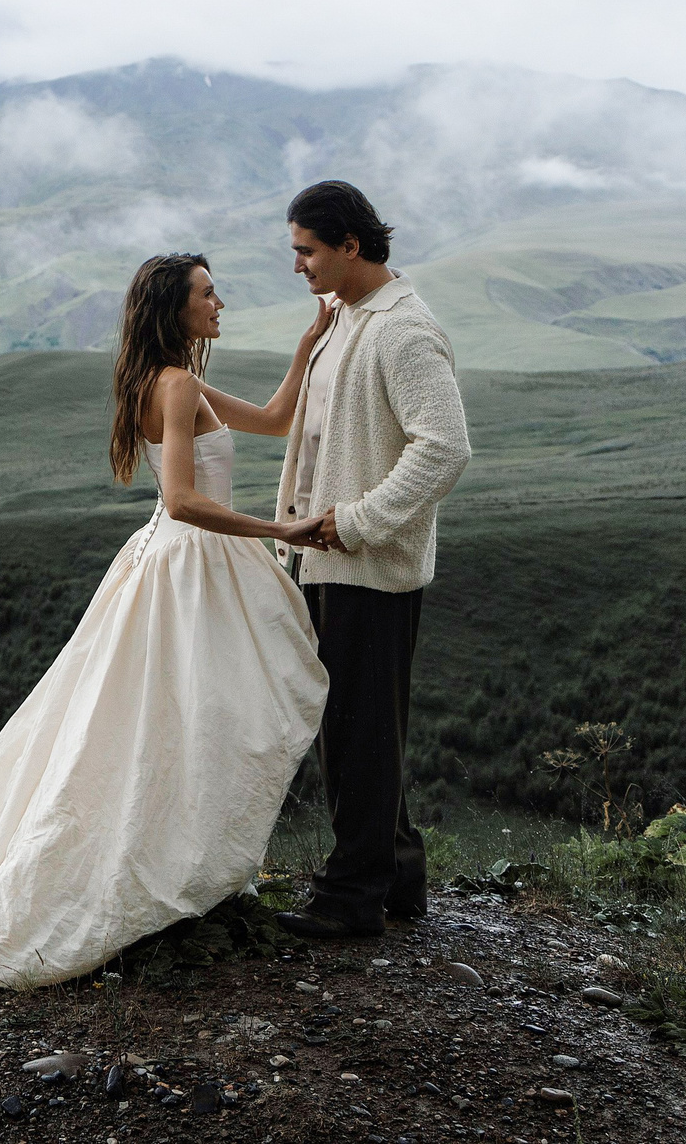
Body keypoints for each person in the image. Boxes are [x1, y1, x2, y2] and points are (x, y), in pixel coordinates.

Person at [0, 253, 333, 988]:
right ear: (174, 308)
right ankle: (170, 870)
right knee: (199, 719)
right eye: (207, 294)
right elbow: (184, 499)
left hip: (175, 559)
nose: (219, 303)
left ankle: (188, 865)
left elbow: (276, 419)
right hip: (191, 564)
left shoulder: (164, 379)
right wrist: (279, 529)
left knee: (169, 722)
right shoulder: (177, 383)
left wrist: (306, 347)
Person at [273, 181, 471, 940]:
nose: (298, 264)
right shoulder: (346, 317)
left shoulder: (403, 330)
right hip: (329, 556)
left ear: (350, 245)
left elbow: (445, 448)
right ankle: (398, 877)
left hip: (366, 563)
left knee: (355, 734)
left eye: (307, 250)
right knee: (364, 728)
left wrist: (357, 523)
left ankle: (351, 899)